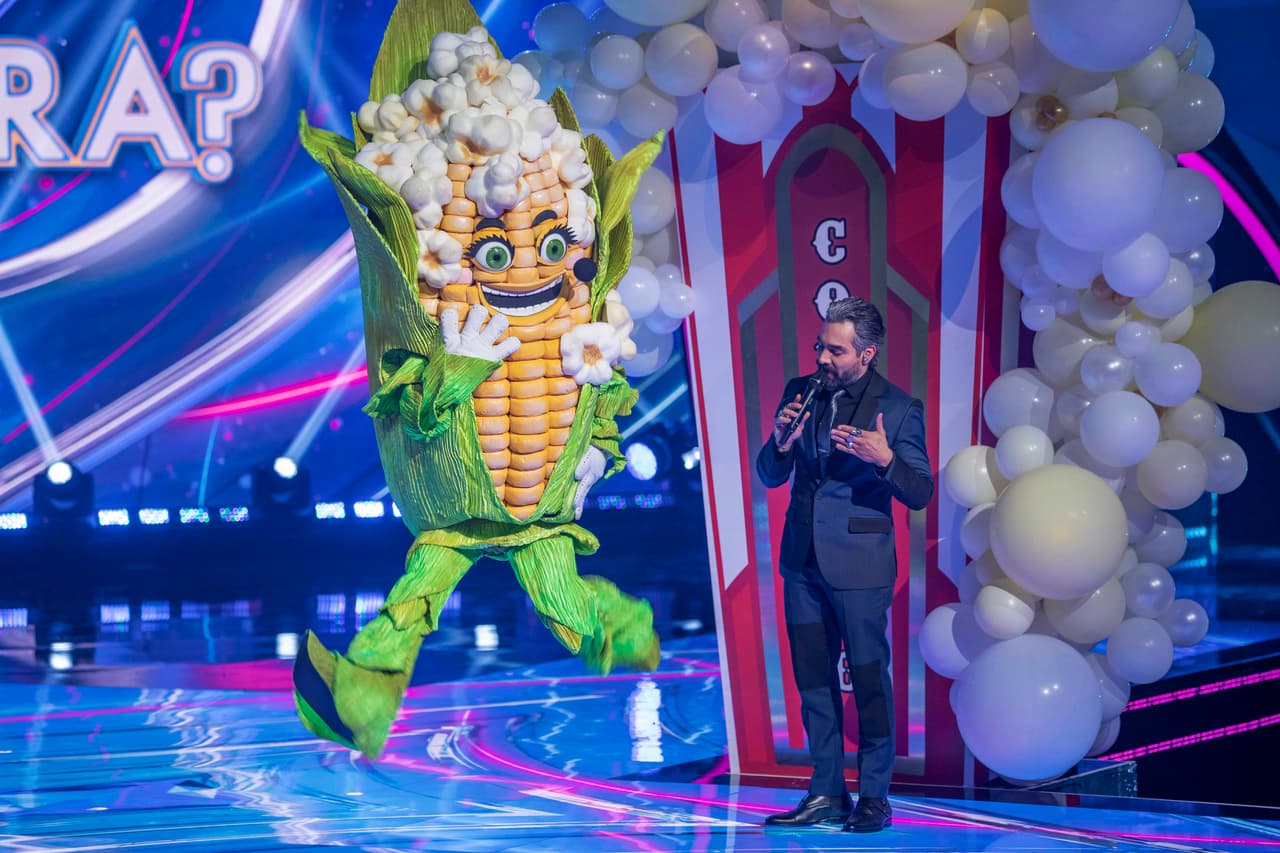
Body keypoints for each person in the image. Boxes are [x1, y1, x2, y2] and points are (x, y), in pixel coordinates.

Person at [756, 296, 933, 833]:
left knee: (870, 682)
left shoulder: (898, 407)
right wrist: (780, 442)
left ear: (867, 353)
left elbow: (921, 490)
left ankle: (874, 796)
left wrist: (885, 460)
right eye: (820, 347)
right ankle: (826, 792)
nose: (823, 358)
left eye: (835, 350)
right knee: (813, 682)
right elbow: (769, 473)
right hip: (802, 563)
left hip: (860, 567)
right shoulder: (801, 392)